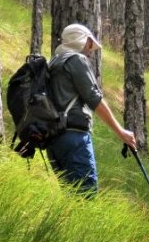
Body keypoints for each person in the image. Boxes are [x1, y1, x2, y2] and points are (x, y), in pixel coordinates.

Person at [47, 23, 137, 193]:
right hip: (74, 137)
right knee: (86, 194)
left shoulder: (54, 62)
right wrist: (121, 132)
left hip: (54, 140)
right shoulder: (76, 60)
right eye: (90, 44)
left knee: (71, 196)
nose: (91, 50)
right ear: (85, 41)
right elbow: (94, 99)